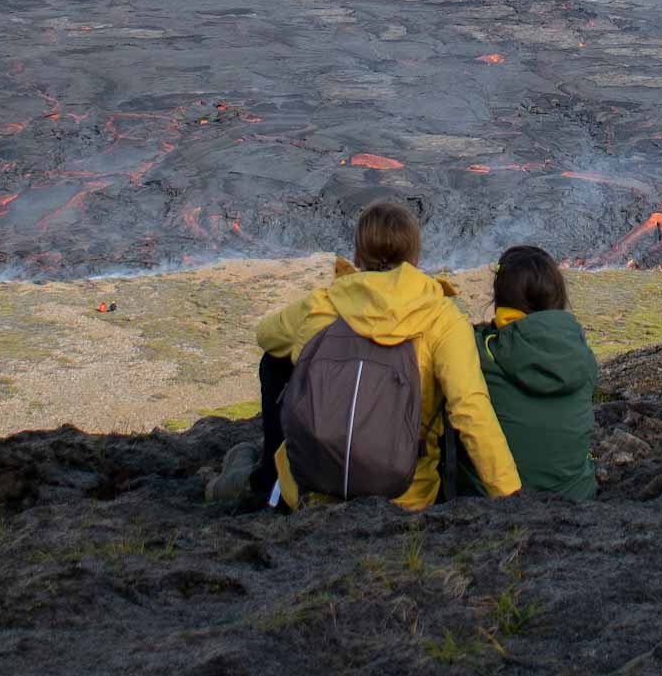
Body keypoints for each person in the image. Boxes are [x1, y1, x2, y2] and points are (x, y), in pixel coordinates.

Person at [210, 202, 521, 510]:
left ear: (357, 256)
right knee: (451, 392)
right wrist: (511, 497)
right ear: (414, 257)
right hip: (405, 495)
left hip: (313, 488)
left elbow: (265, 335)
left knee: (274, 361)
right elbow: (470, 409)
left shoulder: (324, 304)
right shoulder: (441, 317)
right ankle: (258, 474)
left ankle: (265, 477)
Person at [448, 246, 598, 501]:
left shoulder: (478, 352)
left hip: (490, 502)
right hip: (576, 498)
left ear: (500, 298)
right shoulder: (581, 355)